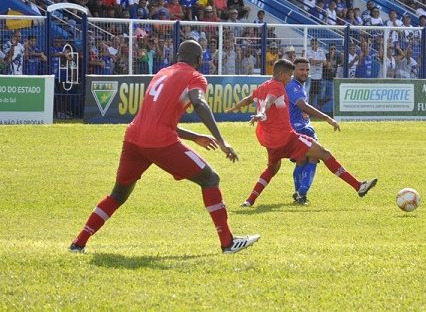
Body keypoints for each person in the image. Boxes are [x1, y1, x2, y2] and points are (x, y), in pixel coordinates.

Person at [69, 40, 259, 254]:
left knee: (118, 195)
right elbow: (199, 103)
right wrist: (222, 140)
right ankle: (228, 243)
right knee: (210, 179)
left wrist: (194, 136)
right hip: (160, 143)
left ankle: (78, 243)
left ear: (178, 55)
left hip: (133, 139)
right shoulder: (195, 77)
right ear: (199, 60)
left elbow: (155, 119)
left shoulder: (161, 73)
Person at [226, 59, 377, 207]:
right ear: (282, 74)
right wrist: (262, 112)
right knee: (324, 154)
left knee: (272, 169)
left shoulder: (263, 86)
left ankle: (250, 200)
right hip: (287, 138)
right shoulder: (278, 86)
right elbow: (269, 100)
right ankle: (358, 186)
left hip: (270, 141)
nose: (291, 78)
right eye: (290, 75)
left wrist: (233, 109)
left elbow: (248, 99)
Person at [284, 58, 342, 205]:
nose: (305, 72)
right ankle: (301, 193)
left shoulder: (298, 85)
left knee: (303, 160)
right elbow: (303, 106)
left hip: (303, 127)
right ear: (293, 71)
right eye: (301, 69)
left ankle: (300, 195)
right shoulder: (293, 86)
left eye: (307, 70)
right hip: (299, 129)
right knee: (312, 158)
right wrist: (327, 118)